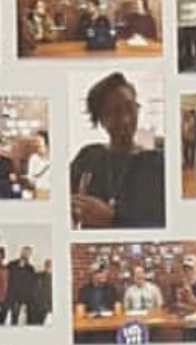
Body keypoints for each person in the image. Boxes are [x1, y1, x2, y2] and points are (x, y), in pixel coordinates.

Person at [70, 72, 166, 229]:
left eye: (130, 108)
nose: (125, 119)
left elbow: (162, 223)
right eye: (115, 112)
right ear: (101, 119)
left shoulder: (157, 163)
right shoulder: (88, 156)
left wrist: (113, 220)